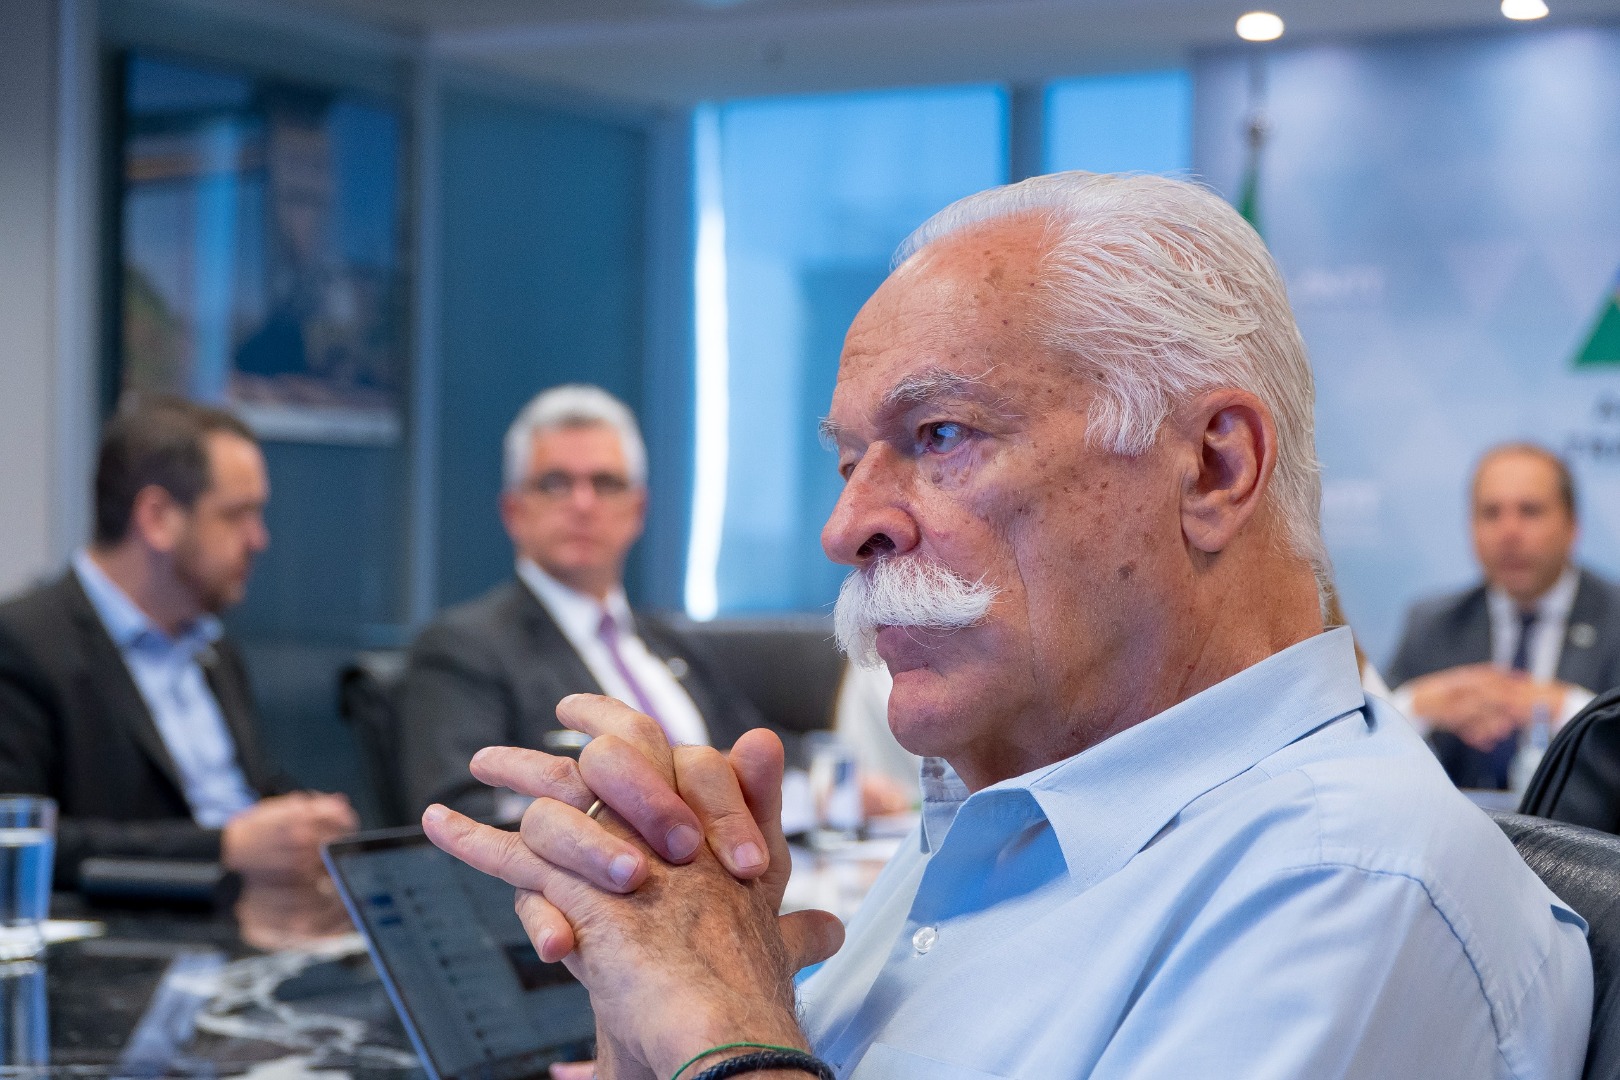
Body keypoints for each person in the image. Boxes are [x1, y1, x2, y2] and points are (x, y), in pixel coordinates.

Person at [425, 173, 1591, 1080]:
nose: (847, 526)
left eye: (939, 436)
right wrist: (650, 1010)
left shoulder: (1346, 889)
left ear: (1213, 466)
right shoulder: (1003, 814)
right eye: (848, 460)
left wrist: (725, 1029)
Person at [0, 397, 357, 902]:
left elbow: (246, 791)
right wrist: (223, 848)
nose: (259, 539)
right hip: (134, 938)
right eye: (237, 515)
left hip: (257, 924)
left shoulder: (214, 649)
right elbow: (20, 840)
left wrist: (305, 820)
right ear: (158, 518)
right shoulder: (24, 643)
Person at [397, 386, 773, 820]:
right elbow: (461, 813)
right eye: (555, 483)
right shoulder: (463, 647)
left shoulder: (673, 642)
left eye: (606, 483)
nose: (582, 504)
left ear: (637, 510)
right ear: (514, 511)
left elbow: (761, 755)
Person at [1387, 443, 1620, 790]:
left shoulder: (1614, 618)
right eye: (1491, 513)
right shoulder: (1434, 624)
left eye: (1530, 511)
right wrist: (1421, 705)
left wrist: (1566, 709)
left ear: (1572, 525)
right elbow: (1368, 745)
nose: (1509, 532)